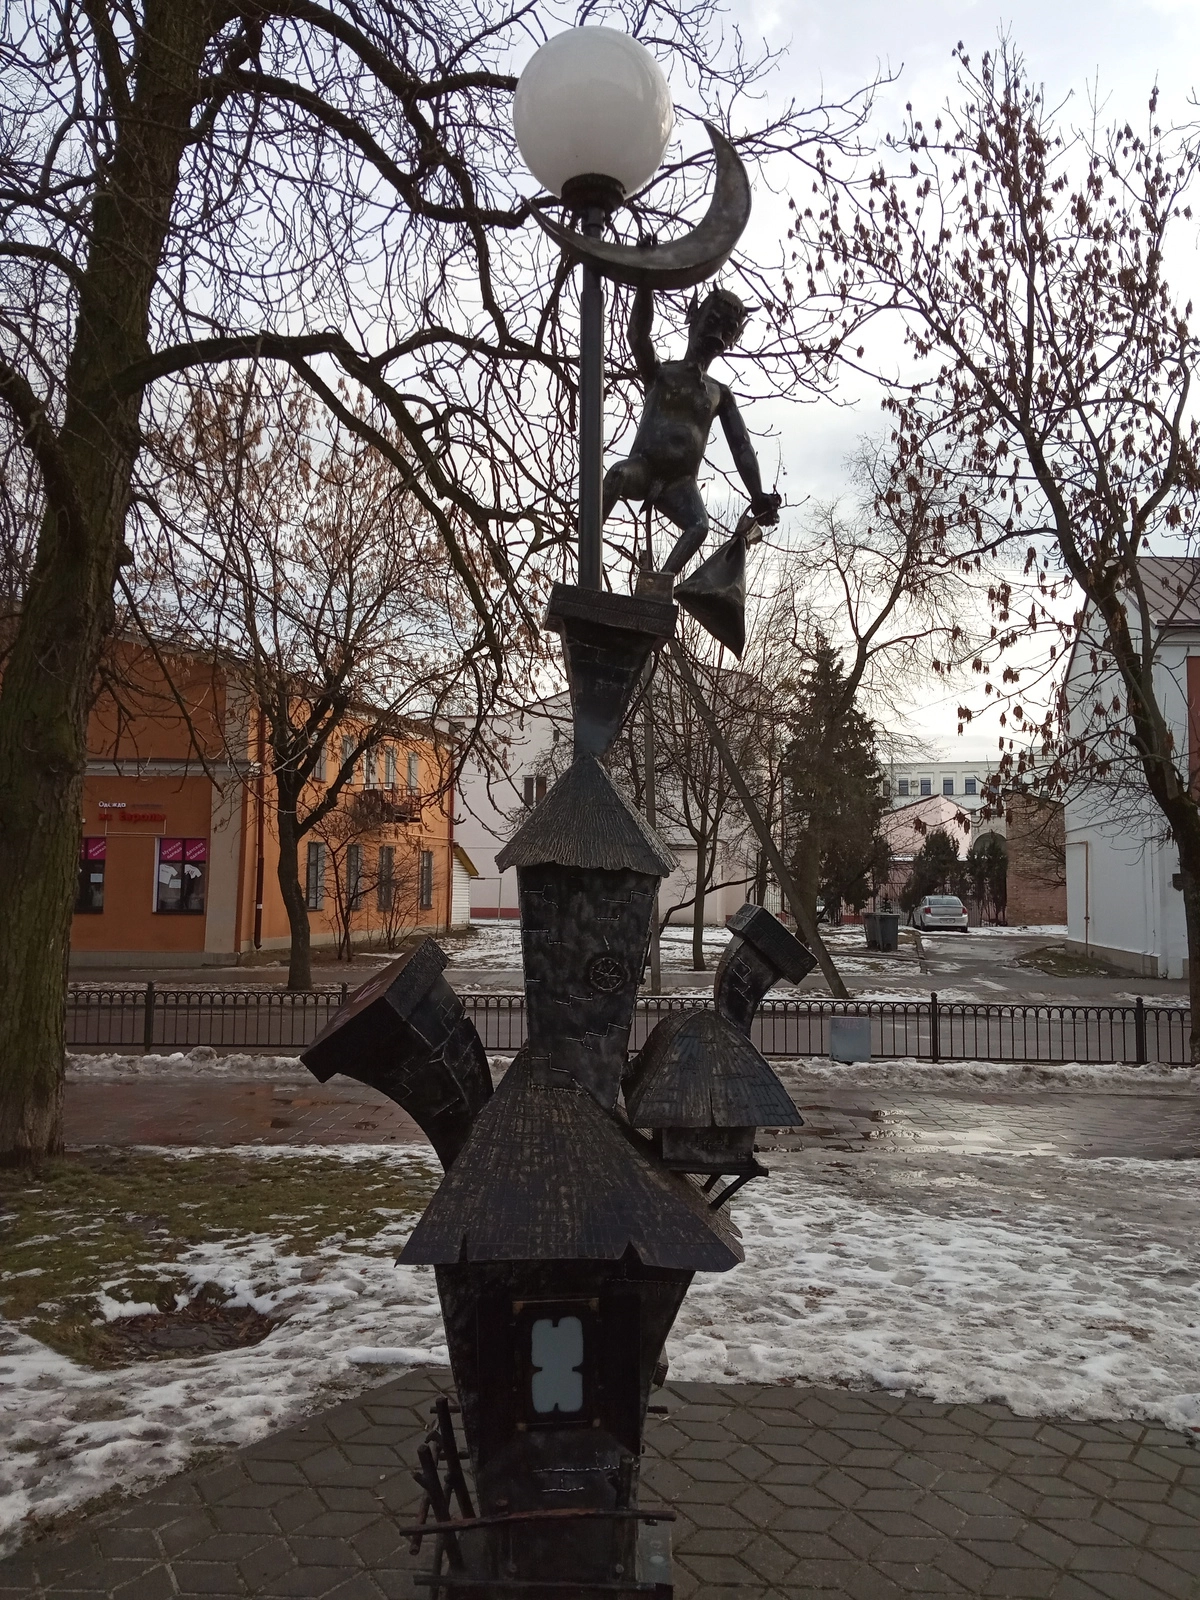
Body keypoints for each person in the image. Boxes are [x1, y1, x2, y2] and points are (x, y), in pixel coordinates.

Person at [602, 284, 781, 574]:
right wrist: (646, 282)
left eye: (727, 331)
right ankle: (587, 543)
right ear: (694, 317)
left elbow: (741, 446)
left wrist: (758, 494)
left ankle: (661, 583)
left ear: (733, 339)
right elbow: (637, 336)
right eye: (712, 323)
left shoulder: (719, 393)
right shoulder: (661, 374)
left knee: (699, 525)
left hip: (681, 483)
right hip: (643, 467)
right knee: (618, 476)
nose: (717, 336)